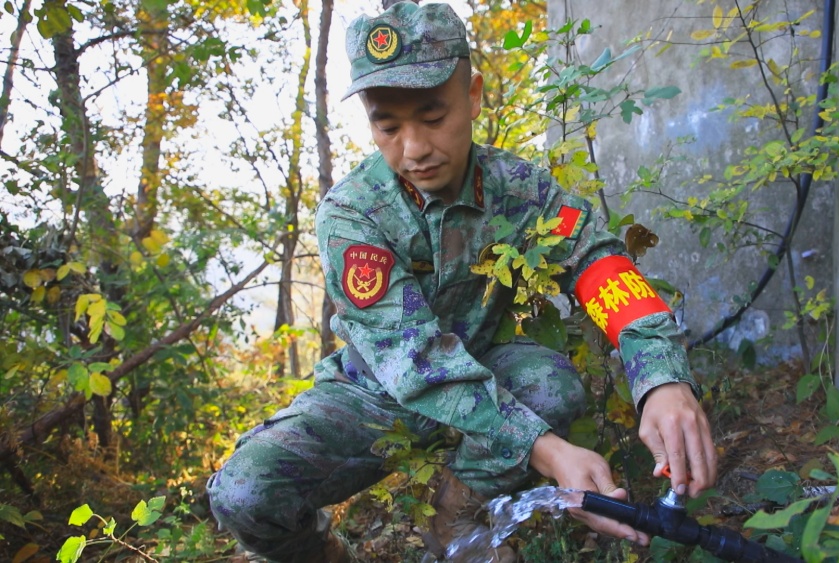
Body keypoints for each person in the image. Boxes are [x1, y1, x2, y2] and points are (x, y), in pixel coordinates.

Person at [206, 2, 717, 561]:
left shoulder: (519, 189)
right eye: (388, 125)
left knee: (551, 384)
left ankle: (456, 517)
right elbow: (413, 358)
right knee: (244, 492)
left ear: (472, 97)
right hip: (370, 395)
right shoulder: (352, 213)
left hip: (484, 372)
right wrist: (546, 451)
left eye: (432, 117)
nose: (414, 148)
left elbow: (595, 258)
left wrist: (661, 378)